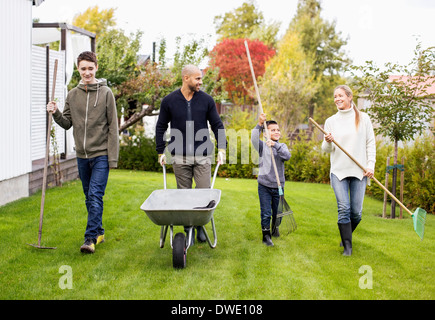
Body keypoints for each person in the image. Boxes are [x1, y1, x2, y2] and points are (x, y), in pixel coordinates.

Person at [46, 51, 119, 254]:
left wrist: (112, 158)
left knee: (95, 194)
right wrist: (56, 112)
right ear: (78, 69)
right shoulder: (72, 94)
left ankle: (90, 239)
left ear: (96, 68)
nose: (87, 72)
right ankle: (100, 231)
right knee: (89, 197)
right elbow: (67, 124)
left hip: (101, 155)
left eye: (90, 68)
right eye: (83, 68)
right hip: (81, 155)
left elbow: (113, 127)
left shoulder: (106, 94)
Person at [155, 64, 226, 244]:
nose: (200, 82)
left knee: (203, 193)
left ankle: (200, 226)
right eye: (197, 78)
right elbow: (161, 126)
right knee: (184, 195)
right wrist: (160, 151)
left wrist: (222, 149)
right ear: (186, 78)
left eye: (200, 78)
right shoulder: (169, 101)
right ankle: (188, 230)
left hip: (203, 155)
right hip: (179, 155)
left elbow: (217, 125)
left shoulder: (206, 100)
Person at [321, 85, 376, 256]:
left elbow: (370, 144)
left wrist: (370, 166)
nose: (337, 99)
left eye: (340, 96)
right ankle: (347, 247)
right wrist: (328, 141)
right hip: (339, 171)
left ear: (349, 97)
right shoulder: (331, 121)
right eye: (335, 96)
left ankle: (346, 236)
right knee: (344, 208)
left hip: (359, 171)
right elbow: (326, 149)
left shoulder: (364, 118)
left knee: (356, 213)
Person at [251, 113, 291, 246]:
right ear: (266, 133)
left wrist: (275, 145)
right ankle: (266, 236)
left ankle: (275, 228)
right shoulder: (262, 147)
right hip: (264, 186)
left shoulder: (282, 146)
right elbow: (253, 138)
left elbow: (287, 156)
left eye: (278, 130)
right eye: (272, 130)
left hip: (278, 186)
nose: (276, 132)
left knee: (278, 212)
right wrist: (260, 124)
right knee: (266, 212)